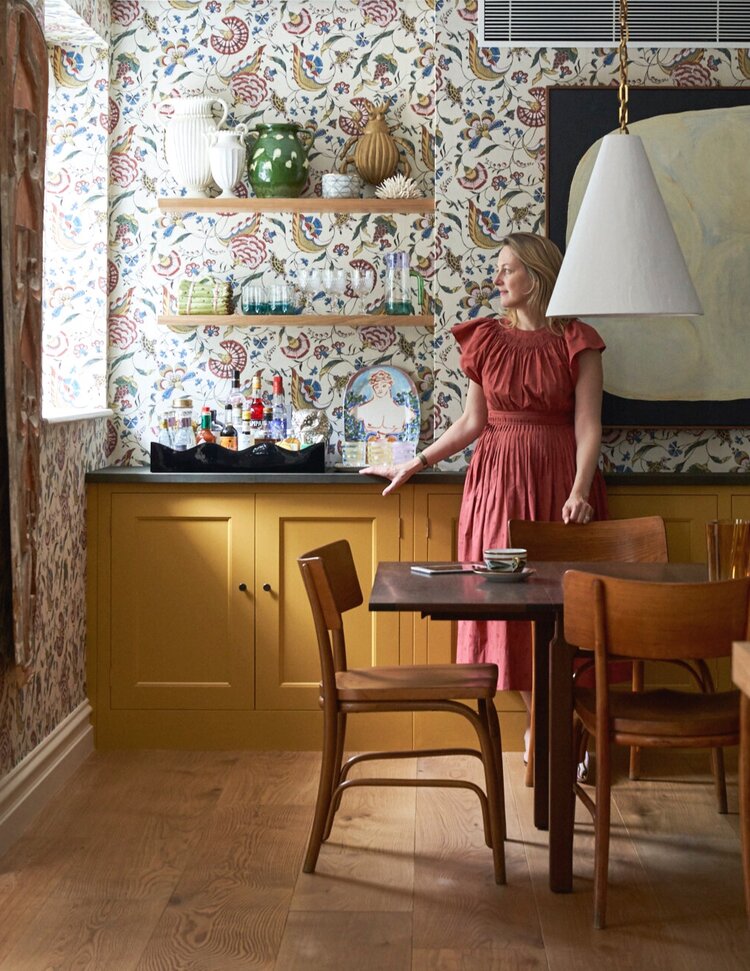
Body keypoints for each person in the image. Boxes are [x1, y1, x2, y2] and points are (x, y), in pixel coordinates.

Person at [360, 232, 607, 765]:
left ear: (536, 277)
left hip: (562, 479)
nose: (497, 278)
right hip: (497, 482)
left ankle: (559, 724)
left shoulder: (578, 339)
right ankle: (545, 726)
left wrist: (581, 489)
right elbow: (472, 422)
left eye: (507, 268)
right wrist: (416, 460)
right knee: (504, 605)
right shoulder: (486, 339)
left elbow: (589, 425)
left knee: (571, 605)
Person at [355, 368, 417, 440]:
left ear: (389, 385)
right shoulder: (363, 409)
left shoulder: (403, 411)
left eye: (384, 386)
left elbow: (413, 423)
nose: (380, 389)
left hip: (398, 449)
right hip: (369, 449)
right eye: (376, 386)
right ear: (373, 388)